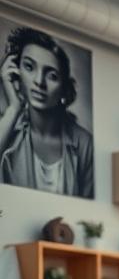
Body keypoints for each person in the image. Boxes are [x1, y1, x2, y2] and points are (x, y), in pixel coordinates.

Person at [0, 26, 93, 198]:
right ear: (16, 72)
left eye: (52, 76)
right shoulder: (7, 131)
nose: (39, 82)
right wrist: (14, 108)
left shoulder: (84, 144)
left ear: (64, 88)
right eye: (29, 67)